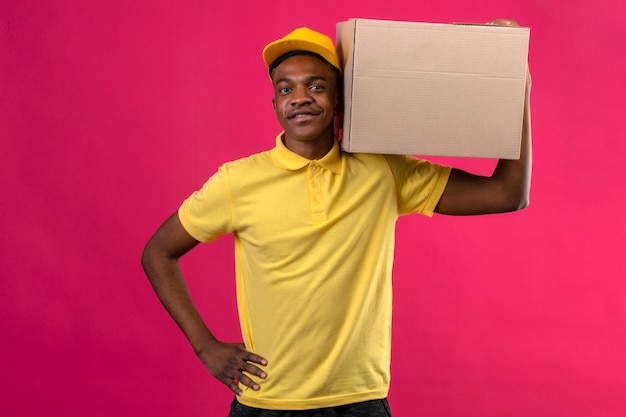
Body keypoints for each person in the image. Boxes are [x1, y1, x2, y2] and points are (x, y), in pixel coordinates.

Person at [142, 20, 531, 417]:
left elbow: (506, 193)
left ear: (340, 100)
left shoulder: (384, 170)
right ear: (274, 104)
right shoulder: (236, 182)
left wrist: (515, 82)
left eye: (315, 85)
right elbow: (158, 252)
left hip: (359, 402)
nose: (299, 98)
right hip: (266, 402)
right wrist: (204, 346)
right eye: (285, 88)